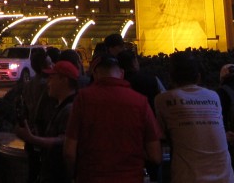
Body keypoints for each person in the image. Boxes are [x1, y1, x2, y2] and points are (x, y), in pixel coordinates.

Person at [64, 52, 162, 183]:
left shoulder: (83, 99)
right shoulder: (140, 102)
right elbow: (155, 155)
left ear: (95, 74)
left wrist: (72, 175)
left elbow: (69, 151)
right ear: (121, 73)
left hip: (91, 176)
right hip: (130, 177)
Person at [155, 52, 234, 183]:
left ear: (171, 77)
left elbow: (161, 135)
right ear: (198, 77)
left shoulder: (163, 100)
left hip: (188, 177)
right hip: (225, 176)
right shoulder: (213, 96)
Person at [16, 59, 79, 183]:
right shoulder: (59, 106)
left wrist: (32, 139)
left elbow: (63, 142)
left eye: (51, 77)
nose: (47, 82)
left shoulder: (70, 109)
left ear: (64, 80)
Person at [20, 48, 57, 183]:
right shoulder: (48, 86)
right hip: (45, 133)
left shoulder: (29, 85)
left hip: (32, 132)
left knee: (33, 170)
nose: (53, 65)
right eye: (50, 63)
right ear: (43, 67)